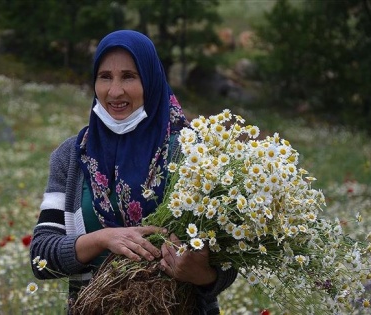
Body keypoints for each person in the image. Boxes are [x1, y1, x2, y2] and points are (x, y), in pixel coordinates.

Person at [30, 29, 237, 314]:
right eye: (105, 77)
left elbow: (227, 264)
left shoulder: (192, 152)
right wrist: (104, 238)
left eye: (129, 76)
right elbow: (41, 256)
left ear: (151, 80)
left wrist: (200, 274)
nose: (115, 91)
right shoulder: (73, 155)